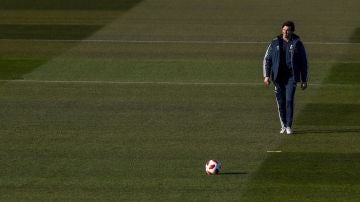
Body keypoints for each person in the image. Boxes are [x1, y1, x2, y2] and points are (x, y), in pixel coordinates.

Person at [263, 21, 308, 135]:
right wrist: (267, 75)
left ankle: (289, 126)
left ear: (292, 31)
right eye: (283, 30)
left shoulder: (297, 43)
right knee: (281, 102)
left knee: (289, 100)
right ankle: (283, 125)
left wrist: (304, 80)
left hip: (291, 77)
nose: (285, 32)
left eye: (287, 30)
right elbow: (268, 59)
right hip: (278, 77)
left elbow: (303, 62)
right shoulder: (275, 42)